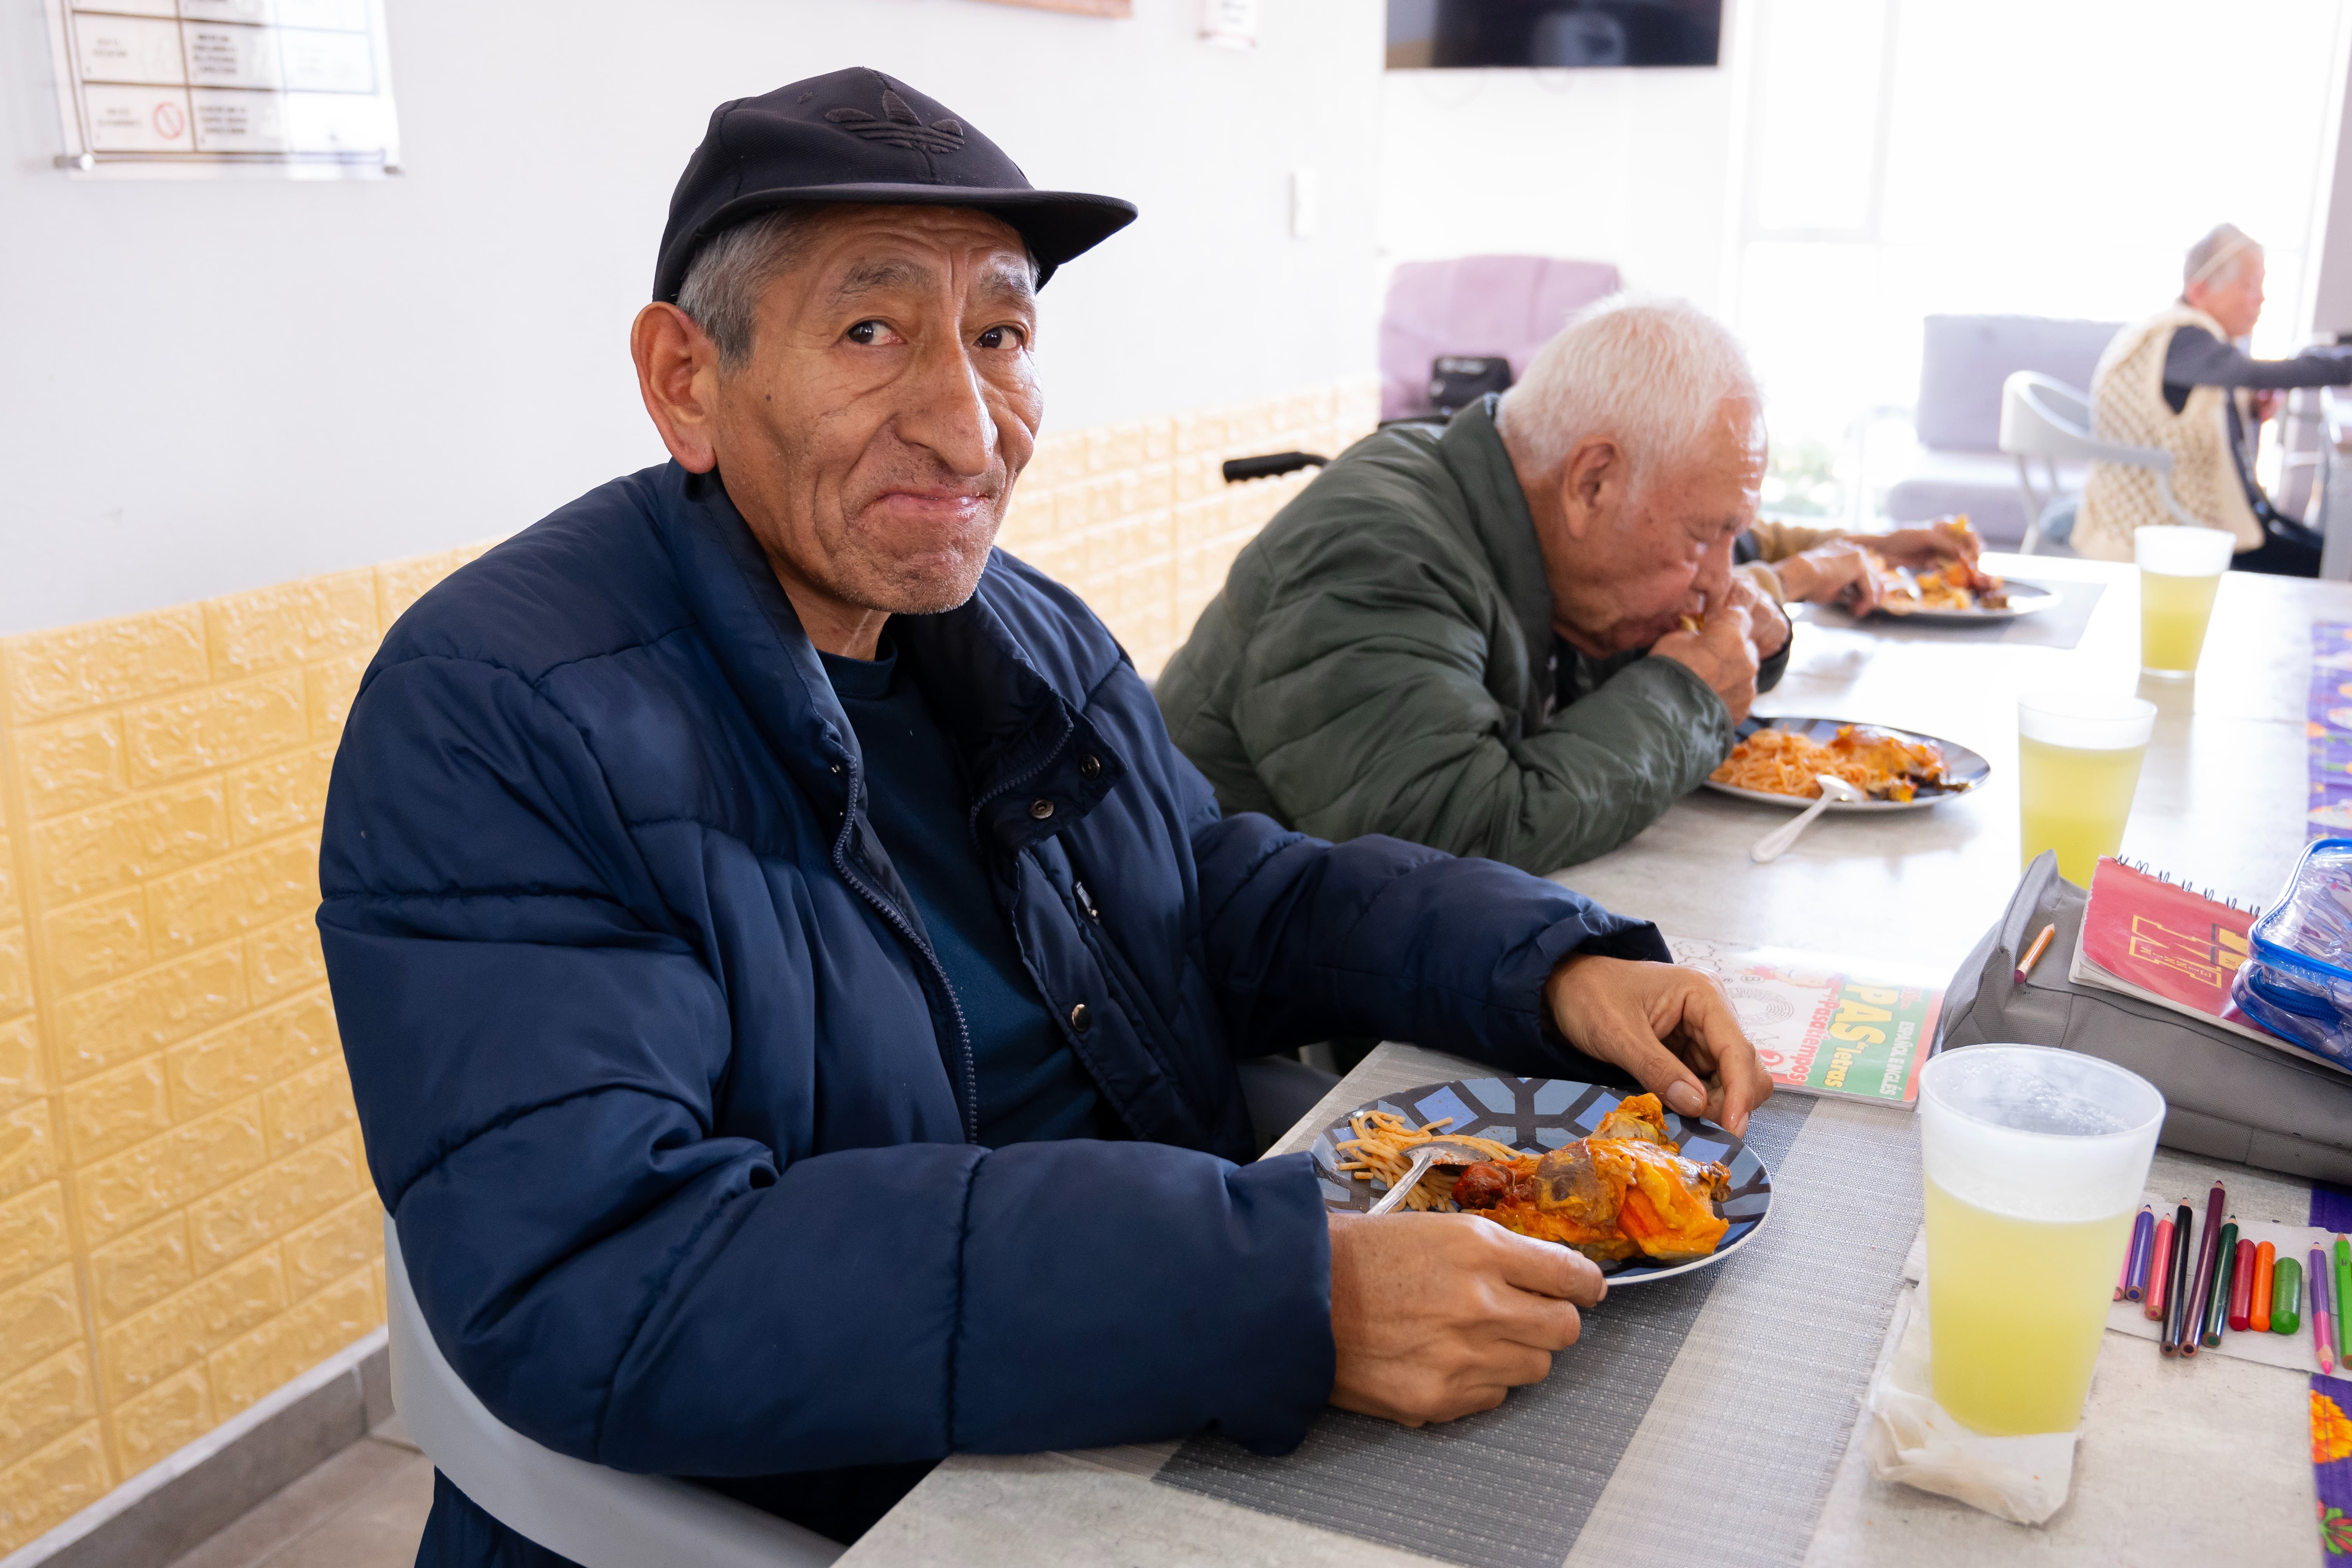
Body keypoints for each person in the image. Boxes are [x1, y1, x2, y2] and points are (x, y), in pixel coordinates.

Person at [318, 70, 1771, 1563]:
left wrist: (1545, 963)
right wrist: (1274, 1294)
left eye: (999, 336)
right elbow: (605, 1279)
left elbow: (1206, 892)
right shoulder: (500, 710)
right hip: (852, 1492)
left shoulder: (1014, 630)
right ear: (686, 379)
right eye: (871, 331)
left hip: (1150, 1390)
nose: (969, 432)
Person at [1157, 297, 1794, 879]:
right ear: (1592, 483)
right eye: (1703, 536)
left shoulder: (1523, 519)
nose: (1719, 580)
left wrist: (1740, 653)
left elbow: (1601, 687)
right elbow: (1451, 840)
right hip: (1202, 944)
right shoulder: (1378, 553)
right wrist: (1686, 700)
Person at [2075, 223, 2352, 576]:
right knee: (2336, 565)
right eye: (2250, 286)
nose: (2261, 298)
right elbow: (2254, 374)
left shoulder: (2193, 343)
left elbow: (2190, 408)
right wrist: (2344, 367)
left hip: (2215, 518)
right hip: (2177, 523)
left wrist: (2250, 408)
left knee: (2331, 554)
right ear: (2200, 289)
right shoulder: (2181, 337)